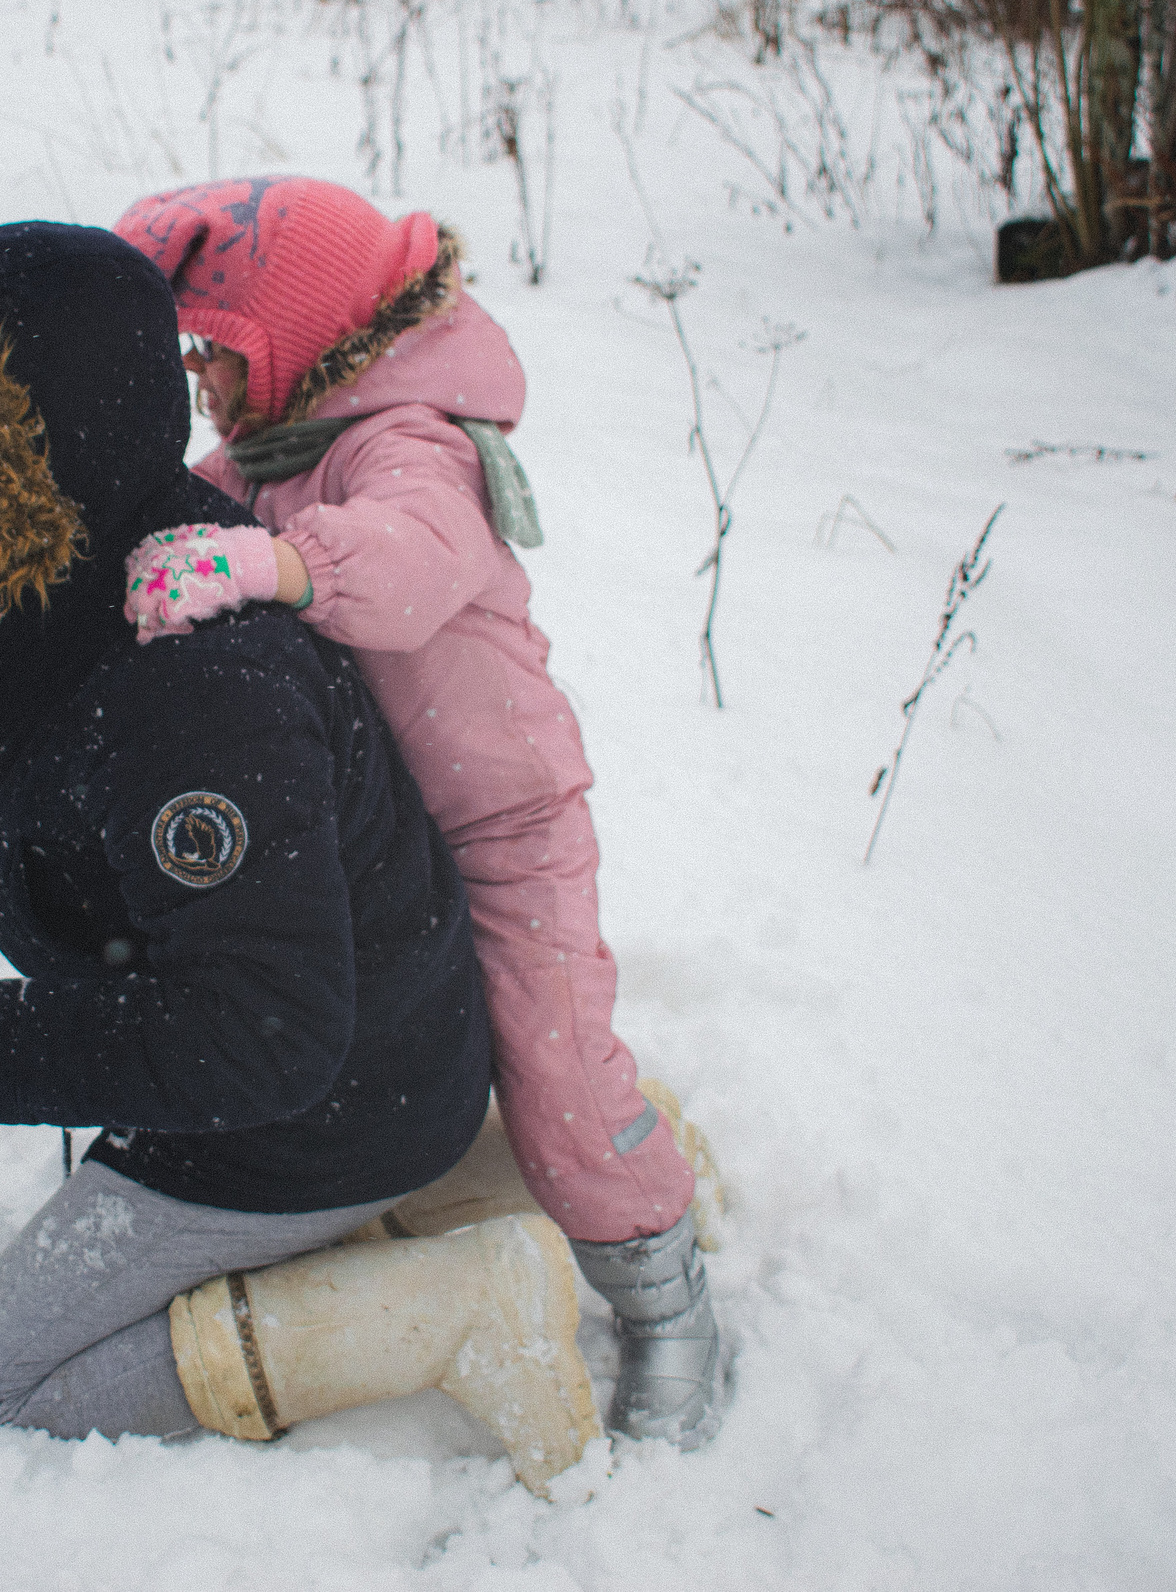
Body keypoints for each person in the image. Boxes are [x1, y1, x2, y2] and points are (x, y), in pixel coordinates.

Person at [0, 217, 604, 1494]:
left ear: (32, 448)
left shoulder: (194, 687)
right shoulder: (67, 573)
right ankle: (420, 1204)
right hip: (339, 1063)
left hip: (315, 1113)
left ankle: (452, 1302)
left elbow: (267, 1038)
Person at [110, 176, 726, 1448]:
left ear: (291, 342)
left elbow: (403, 566)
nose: (199, 380)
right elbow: (179, 513)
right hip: (386, 834)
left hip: (504, 828)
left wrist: (271, 565)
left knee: (549, 1075)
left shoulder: (409, 444)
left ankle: (666, 1303)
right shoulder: (263, 455)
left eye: (217, 353)